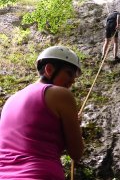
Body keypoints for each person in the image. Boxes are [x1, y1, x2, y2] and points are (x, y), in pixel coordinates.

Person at [0, 46, 84, 179]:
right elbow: (76, 153)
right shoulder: (61, 94)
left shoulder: (10, 100)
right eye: (69, 73)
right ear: (49, 69)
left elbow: (35, 141)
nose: (73, 80)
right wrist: (75, 125)